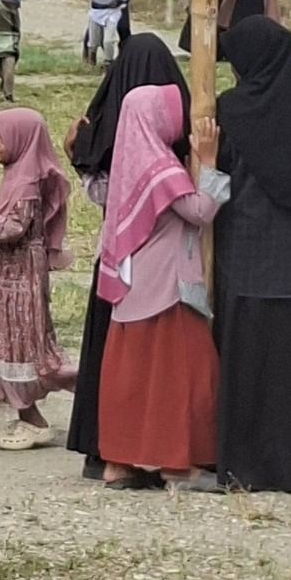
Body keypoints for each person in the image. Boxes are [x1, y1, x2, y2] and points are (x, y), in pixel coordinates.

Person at [213, 16, 291, 492]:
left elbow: (221, 176)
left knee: (251, 363)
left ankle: (245, 465)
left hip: (249, 251)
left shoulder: (233, 109)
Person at [65, 33, 191, 480]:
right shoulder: (178, 119)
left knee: (108, 354)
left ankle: (102, 446)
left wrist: (78, 157)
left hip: (114, 255)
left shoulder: (109, 120)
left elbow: (102, 192)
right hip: (166, 260)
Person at [96, 86, 225, 491]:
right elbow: (200, 211)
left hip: (131, 285)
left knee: (130, 377)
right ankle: (177, 465)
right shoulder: (161, 168)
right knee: (184, 375)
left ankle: (119, 462)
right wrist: (208, 164)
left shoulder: (128, 162)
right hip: (167, 288)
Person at [0, 109, 76, 450]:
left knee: (21, 340)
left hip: (21, 277)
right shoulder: (16, 176)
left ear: (22, 140)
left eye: (0, 136)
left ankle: (33, 419)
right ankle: (26, 414)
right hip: (7, 275)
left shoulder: (26, 184)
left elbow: (12, 229)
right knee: (9, 338)